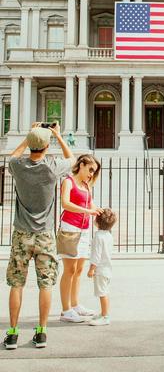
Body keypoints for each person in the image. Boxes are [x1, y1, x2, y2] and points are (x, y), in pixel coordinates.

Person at [4, 122, 75, 350]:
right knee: (46, 284)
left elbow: (12, 156)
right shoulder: (52, 167)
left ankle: (13, 333)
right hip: (44, 235)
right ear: (46, 145)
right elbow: (72, 158)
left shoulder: (19, 166)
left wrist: (28, 138)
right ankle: (41, 331)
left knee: (17, 283)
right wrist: (57, 134)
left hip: (21, 234)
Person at [59, 154, 102, 323]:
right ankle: (65, 310)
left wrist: (97, 210)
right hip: (70, 228)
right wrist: (87, 211)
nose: (91, 174)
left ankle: (75, 305)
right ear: (81, 165)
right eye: (90, 169)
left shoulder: (86, 185)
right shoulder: (68, 181)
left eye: (94, 171)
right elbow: (65, 203)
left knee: (78, 270)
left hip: (84, 230)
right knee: (69, 270)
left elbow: (90, 204)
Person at [87, 208, 117, 326]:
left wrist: (91, 269)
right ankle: (104, 313)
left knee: (102, 293)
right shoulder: (108, 235)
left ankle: (105, 316)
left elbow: (96, 255)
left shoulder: (98, 236)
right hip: (107, 268)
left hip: (100, 270)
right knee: (105, 292)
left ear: (98, 222)